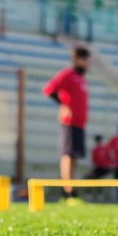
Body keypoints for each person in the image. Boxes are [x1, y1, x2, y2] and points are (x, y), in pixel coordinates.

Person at [41, 45, 90, 199]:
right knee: (68, 155)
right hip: (68, 122)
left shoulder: (81, 78)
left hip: (79, 124)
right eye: (86, 60)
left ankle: (71, 188)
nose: (88, 64)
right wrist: (63, 105)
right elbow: (49, 90)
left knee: (75, 157)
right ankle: (67, 192)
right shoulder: (67, 74)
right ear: (78, 59)